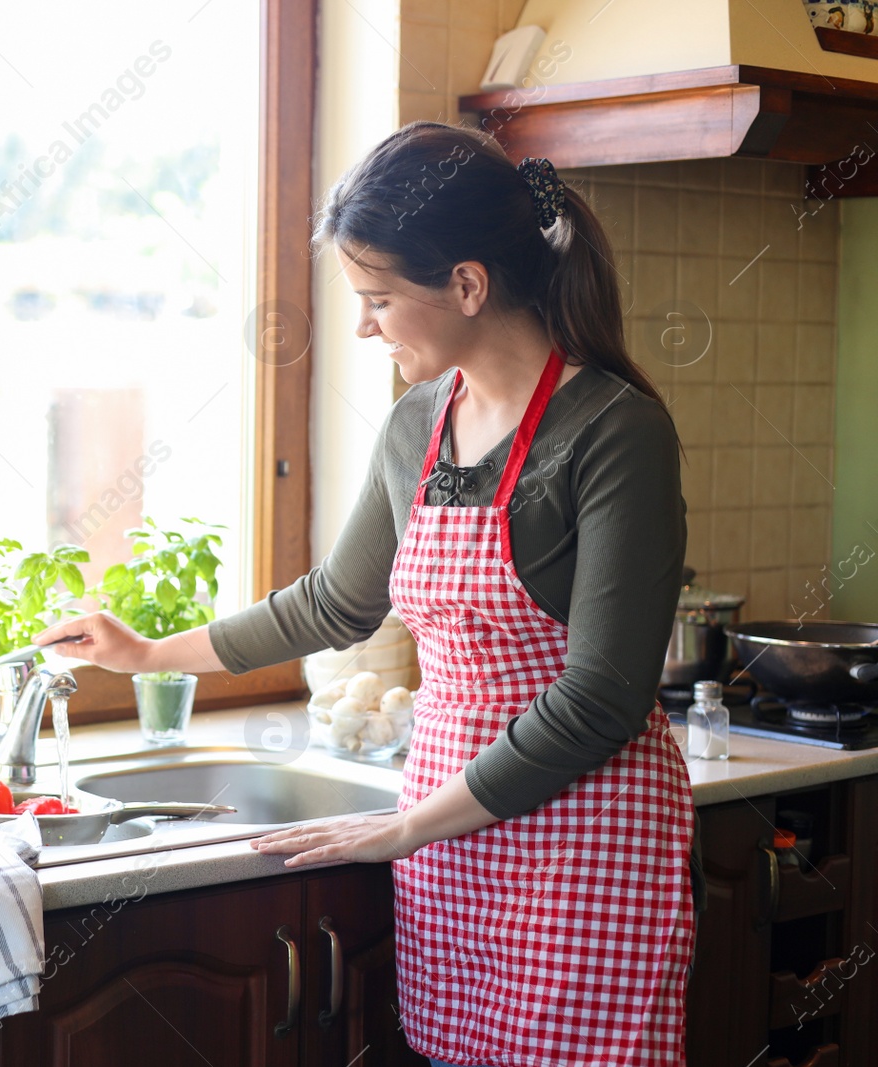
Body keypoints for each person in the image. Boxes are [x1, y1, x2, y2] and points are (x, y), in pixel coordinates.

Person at [34, 121, 694, 1066]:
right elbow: (332, 606)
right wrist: (146, 652)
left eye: (378, 299)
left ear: (468, 285)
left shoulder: (613, 432)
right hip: (449, 840)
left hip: (582, 840)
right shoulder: (418, 425)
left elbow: (599, 700)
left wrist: (404, 825)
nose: (362, 327)